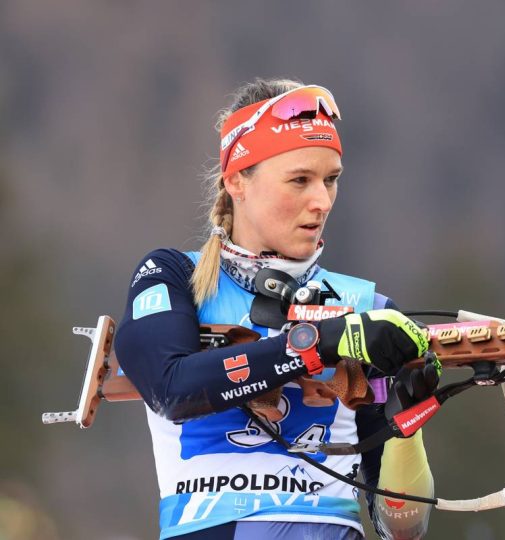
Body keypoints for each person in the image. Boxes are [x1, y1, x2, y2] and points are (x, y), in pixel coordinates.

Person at [115, 78, 437, 540]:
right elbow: (171, 389)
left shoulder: (367, 309)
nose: (321, 201)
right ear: (236, 181)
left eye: (331, 180)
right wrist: (318, 345)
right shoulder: (173, 276)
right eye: (300, 180)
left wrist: (409, 423)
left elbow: (401, 529)